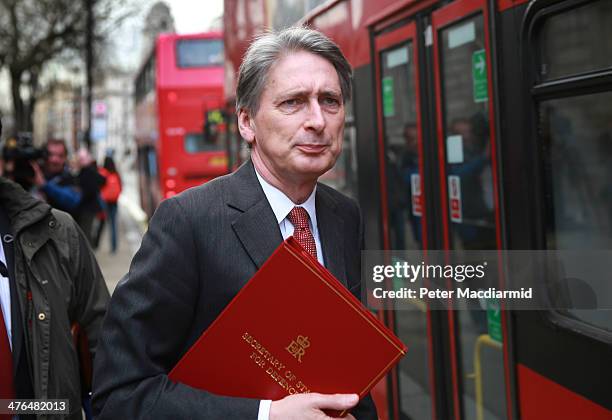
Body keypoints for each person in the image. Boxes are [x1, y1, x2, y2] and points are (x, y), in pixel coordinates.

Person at [92, 27, 378, 420]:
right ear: (247, 123)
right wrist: (266, 416)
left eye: (330, 100)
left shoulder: (345, 215)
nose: (317, 120)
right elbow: (120, 395)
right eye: (293, 102)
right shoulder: (188, 222)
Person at [0, 117, 111, 419]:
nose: (54, 161)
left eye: (58, 157)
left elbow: (105, 337)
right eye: (50, 157)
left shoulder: (59, 230)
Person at [97, 156, 122, 253]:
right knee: (113, 224)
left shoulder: (102, 173)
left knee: (103, 223)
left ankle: (97, 244)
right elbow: (121, 187)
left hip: (105, 202)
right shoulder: (115, 173)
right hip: (114, 202)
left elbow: (98, 187)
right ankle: (114, 247)